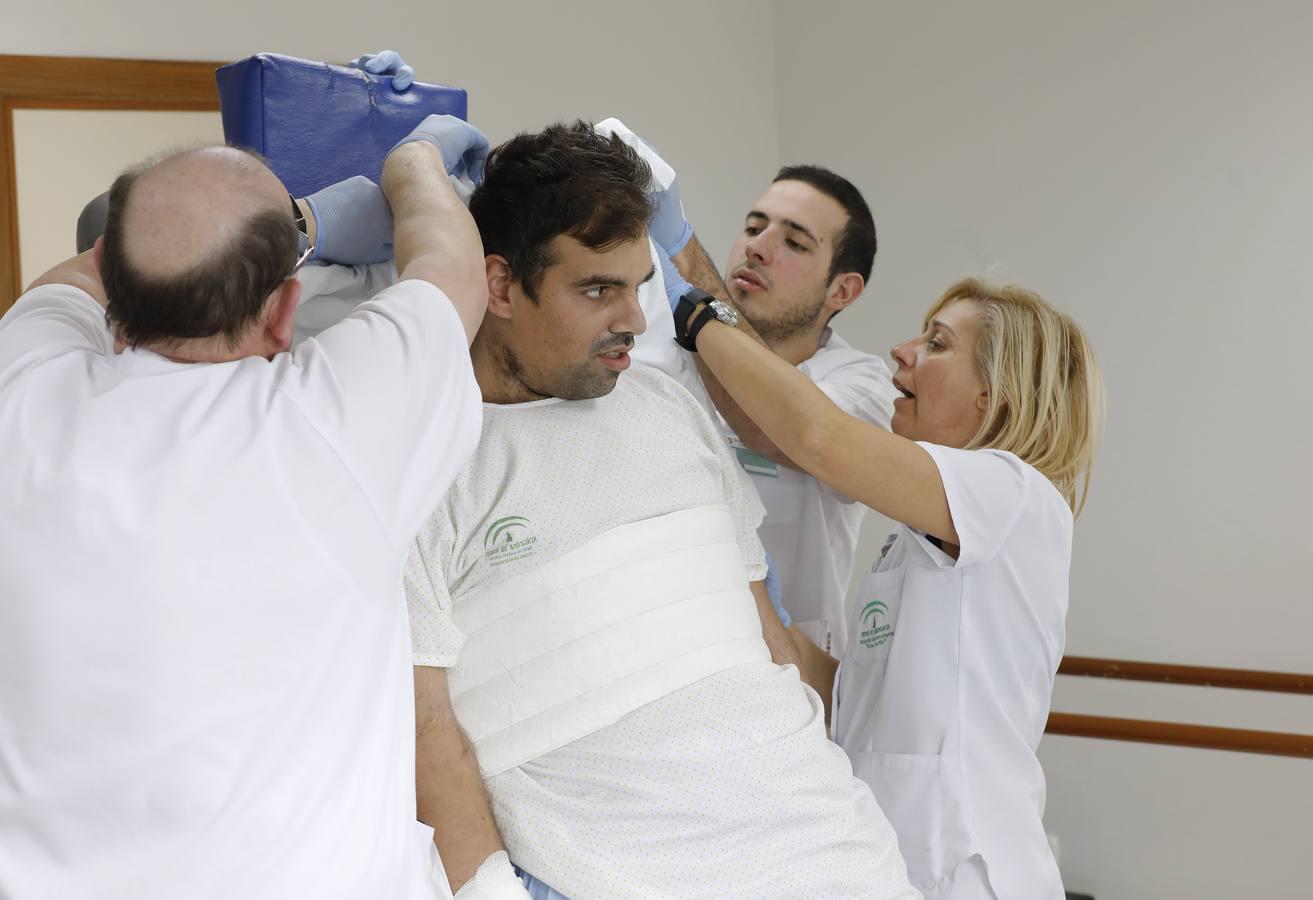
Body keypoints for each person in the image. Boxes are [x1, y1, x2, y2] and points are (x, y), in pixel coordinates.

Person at [0, 115, 489, 899]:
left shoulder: (16, 399)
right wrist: (414, 162)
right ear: (282, 314)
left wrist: (298, 221)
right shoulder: (334, 423)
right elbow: (451, 267)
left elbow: (70, 278)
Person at [388, 121, 916, 900]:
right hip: (617, 870)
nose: (635, 319)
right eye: (596, 289)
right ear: (499, 286)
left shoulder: (670, 408)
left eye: (638, 285)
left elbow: (765, 639)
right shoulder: (427, 461)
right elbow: (428, 734)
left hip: (838, 854)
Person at [670, 273, 1104, 899]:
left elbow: (819, 438)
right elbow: (844, 700)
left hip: (961, 870)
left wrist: (702, 317)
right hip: (885, 865)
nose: (901, 353)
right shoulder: (911, 545)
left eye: (937, 343)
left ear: (994, 394)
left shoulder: (1012, 492)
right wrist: (744, 579)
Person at [605, 120, 895, 660]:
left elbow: (775, 425)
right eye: (754, 226)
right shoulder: (666, 337)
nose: (758, 248)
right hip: (670, 647)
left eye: (794, 242)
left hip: (793, 667)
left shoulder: (861, 385)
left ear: (843, 289)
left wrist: (684, 250)